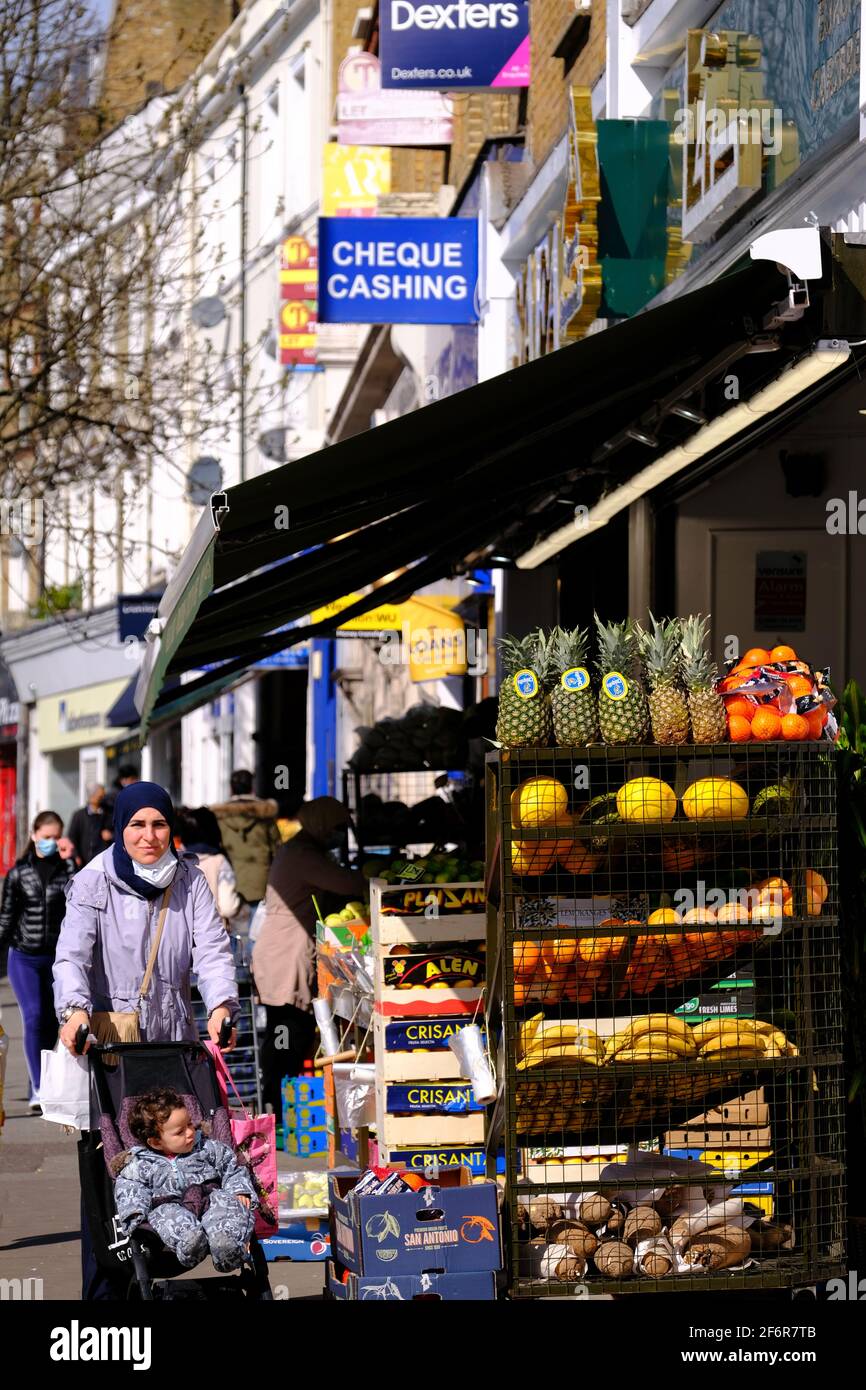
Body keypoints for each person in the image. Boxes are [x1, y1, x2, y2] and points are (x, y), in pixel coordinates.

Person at [52, 780, 240, 1299]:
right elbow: (70, 955)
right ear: (121, 828)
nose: (150, 835)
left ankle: (176, 1258)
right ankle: (106, 1292)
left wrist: (222, 1002)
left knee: (182, 1156)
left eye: (159, 824)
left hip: (173, 1043)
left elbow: (212, 950)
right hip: (109, 1045)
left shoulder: (189, 879)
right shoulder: (94, 881)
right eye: (138, 824)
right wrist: (73, 1011)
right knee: (111, 1167)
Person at [252, 797, 365, 1115]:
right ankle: (280, 1109)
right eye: (336, 827)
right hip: (284, 955)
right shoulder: (302, 854)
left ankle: (279, 1106)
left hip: (282, 950)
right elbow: (347, 882)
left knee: (286, 1033)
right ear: (321, 824)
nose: (338, 834)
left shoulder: (302, 849)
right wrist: (380, 877)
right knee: (289, 1034)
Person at [112, 1086, 257, 1272]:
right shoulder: (140, 1163)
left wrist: (239, 1190)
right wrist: (133, 1211)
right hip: (169, 1204)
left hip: (208, 1197)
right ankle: (191, 1245)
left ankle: (227, 1248)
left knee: (228, 1206)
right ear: (156, 1142)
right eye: (180, 1132)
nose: (190, 1132)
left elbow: (232, 1166)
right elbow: (130, 1187)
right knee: (167, 1218)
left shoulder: (206, 1148)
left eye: (189, 1124)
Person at [0, 811, 76, 1113]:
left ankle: (54, 1081)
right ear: (34, 836)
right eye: (46, 837)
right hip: (24, 956)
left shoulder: (68, 870)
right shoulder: (18, 874)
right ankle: (38, 1088)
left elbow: (79, 913)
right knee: (33, 1017)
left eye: (56, 837)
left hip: (58, 958)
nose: (50, 842)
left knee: (55, 1021)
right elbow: (6, 917)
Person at [210, 770, 281, 911]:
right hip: (260, 878)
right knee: (255, 928)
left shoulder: (218, 816)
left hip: (227, 877)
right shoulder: (265, 814)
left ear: (231, 789)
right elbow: (277, 848)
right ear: (252, 787)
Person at [175, 806, 244, 931]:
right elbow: (228, 907)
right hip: (213, 934)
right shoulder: (219, 862)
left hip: (180, 933)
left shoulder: (176, 860)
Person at [67, 782, 113, 867]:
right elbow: (71, 837)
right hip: (84, 860)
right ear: (92, 797)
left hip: (103, 861)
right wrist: (75, 855)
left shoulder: (108, 814)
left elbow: (117, 833)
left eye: (103, 796)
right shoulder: (79, 815)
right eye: (100, 796)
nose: (103, 798)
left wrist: (111, 836)